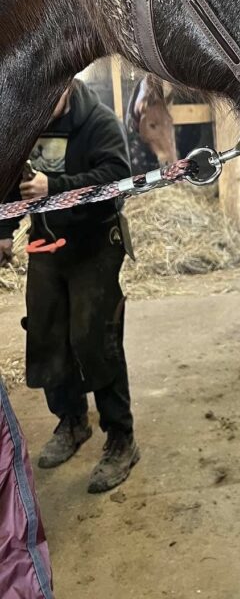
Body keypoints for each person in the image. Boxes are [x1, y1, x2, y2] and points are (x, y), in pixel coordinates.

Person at [0, 78, 139, 494]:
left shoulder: (98, 122)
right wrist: (4, 229)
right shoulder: (28, 120)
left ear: (65, 87)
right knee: (47, 337)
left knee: (94, 338)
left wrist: (54, 186)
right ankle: (72, 422)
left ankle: (121, 438)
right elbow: (10, 178)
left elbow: (116, 179)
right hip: (46, 245)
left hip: (94, 244)